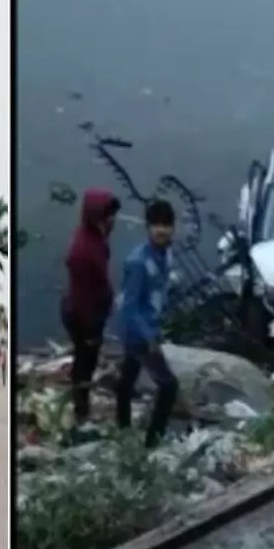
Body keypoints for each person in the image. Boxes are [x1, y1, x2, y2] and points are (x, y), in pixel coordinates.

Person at [115, 199, 179, 449]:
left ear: (173, 227)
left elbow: (159, 290)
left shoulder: (164, 254)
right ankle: (153, 442)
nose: (161, 230)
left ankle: (123, 429)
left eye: (166, 225)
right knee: (169, 386)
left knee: (128, 378)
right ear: (148, 227)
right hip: (139, 332)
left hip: (148, 325)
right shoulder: (138, 262)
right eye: (156, 225)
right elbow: (129, 306)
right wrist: (149, 336)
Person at [61, 188, 121, 424]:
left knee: (86, 361)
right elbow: (84, 296)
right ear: (97, 217)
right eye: (108, 215)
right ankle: (81, 410)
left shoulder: (95, 237)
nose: (113, 220)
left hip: (90, 310)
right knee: (86, 362)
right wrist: (90, 331)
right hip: (84, 316)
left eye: (113, 215)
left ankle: (81, 404)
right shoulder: (84, 251)